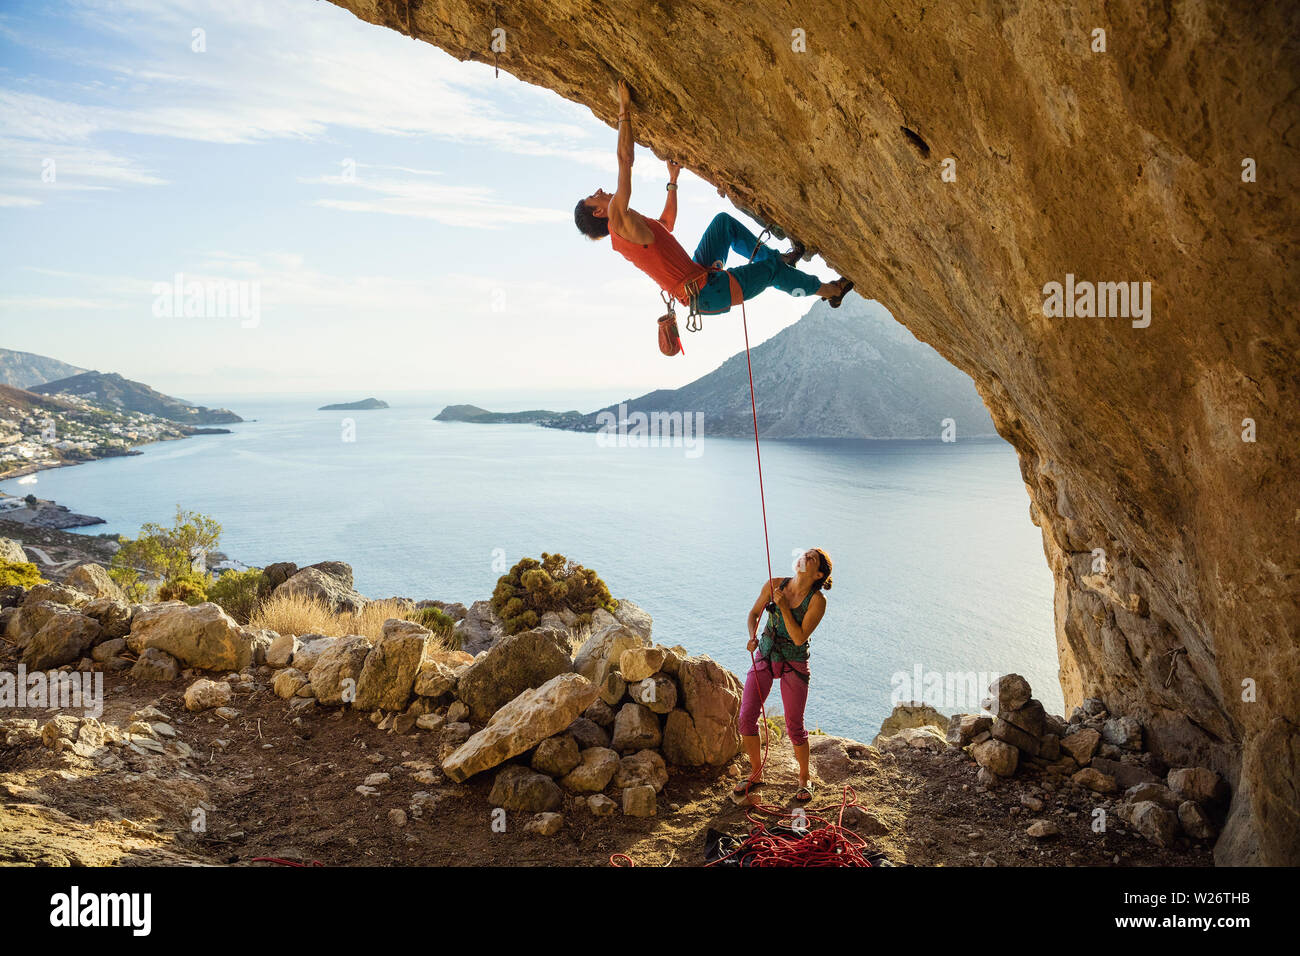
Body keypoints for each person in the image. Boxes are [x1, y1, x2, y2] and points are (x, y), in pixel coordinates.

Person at [573, 80, 853, 317]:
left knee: (723, 225)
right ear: (599, 213)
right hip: (707, 293)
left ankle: (780, 259)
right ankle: (830, 291)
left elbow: (666, 224)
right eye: (593, 198)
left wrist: (672, 182)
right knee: (772, 273)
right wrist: (624, 108)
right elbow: (625, 161)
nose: (599, 192)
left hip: (698, 274)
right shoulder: (618, 224)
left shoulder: (629, 226)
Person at [734, 548, 833, 802]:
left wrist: (783, 607)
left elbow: (799, 638)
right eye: (806, 554)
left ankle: (804, 778)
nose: (805, 557)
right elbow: (754, 614)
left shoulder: (817, 601)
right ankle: (756, 773)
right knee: (746, 717)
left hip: (794, 662)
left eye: (812, 558)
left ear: (818, 573)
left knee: (794, 727)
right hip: (766, 654)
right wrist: (752, 635)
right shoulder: (775, 584)